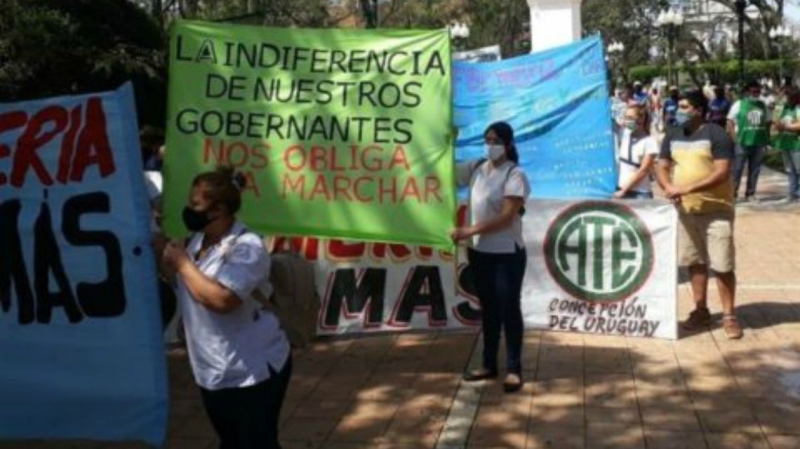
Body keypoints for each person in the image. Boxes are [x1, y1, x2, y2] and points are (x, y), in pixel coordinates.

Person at [161, 166, 292, 449]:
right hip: (212, 368)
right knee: (232, 441)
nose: (189, 209)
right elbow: (185, 281)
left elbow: (222, 300)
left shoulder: (247, 246)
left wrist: (183, 264)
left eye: (195, 204)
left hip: (252, 369)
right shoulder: (197, 241)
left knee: (256, 443)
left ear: (218, 209)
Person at [655, 90, 742, 340]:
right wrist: (667, 186)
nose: (678, 111)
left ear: (699, 110)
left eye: (684, 107)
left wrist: (686, 188)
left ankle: (728, 315)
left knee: (722, 265)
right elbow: (662, 166)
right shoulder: (672, 134)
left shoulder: (717, 134)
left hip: (717, 211)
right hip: (685, 212)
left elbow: (721, 172)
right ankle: (700, 310)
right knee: (695, 262)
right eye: (678, 107)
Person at [453, 122, 531, 393]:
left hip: (506, 254)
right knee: (489, 310)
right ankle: (488, 363)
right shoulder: (477, 168)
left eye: (496, 140)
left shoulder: (515, 174)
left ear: (508, 144)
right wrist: (445, 139)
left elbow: (507, 216)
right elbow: (443, 170)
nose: (490, 144)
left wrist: (468, 230)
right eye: (487, 139)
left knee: (509, 308)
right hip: (479, 252)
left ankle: (513, 368)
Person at [727, 80, 771, 202]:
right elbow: (730, 122)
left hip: (759, 142)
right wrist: (735, 139)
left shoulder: (763, 105)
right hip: (742, 142)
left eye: (758, 91)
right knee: (737, 169)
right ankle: (733, 194)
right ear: (747, 92)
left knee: (755, 169)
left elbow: (768, 122)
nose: (756, 93)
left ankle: (750, 194)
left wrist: (767, 140)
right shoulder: (739, 104)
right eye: (754, 91)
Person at [614, 106, 658, 199]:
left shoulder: (649, 142)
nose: (626, 121)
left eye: (630, 118)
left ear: (641, 119)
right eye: (625, 117)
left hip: (640, 193)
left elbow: (643, 170)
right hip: (621, 189)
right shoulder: (625, 134)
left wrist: (624, 190)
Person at [774, 89, 800, 202]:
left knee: (799, 169)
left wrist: (784, 127)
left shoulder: (798, 109)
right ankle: (792, 193)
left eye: (789, 97)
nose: (787, 99)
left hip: (796, 144)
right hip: (785, 143)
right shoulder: (784, 109)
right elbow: (777, 121)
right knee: (790, 170)